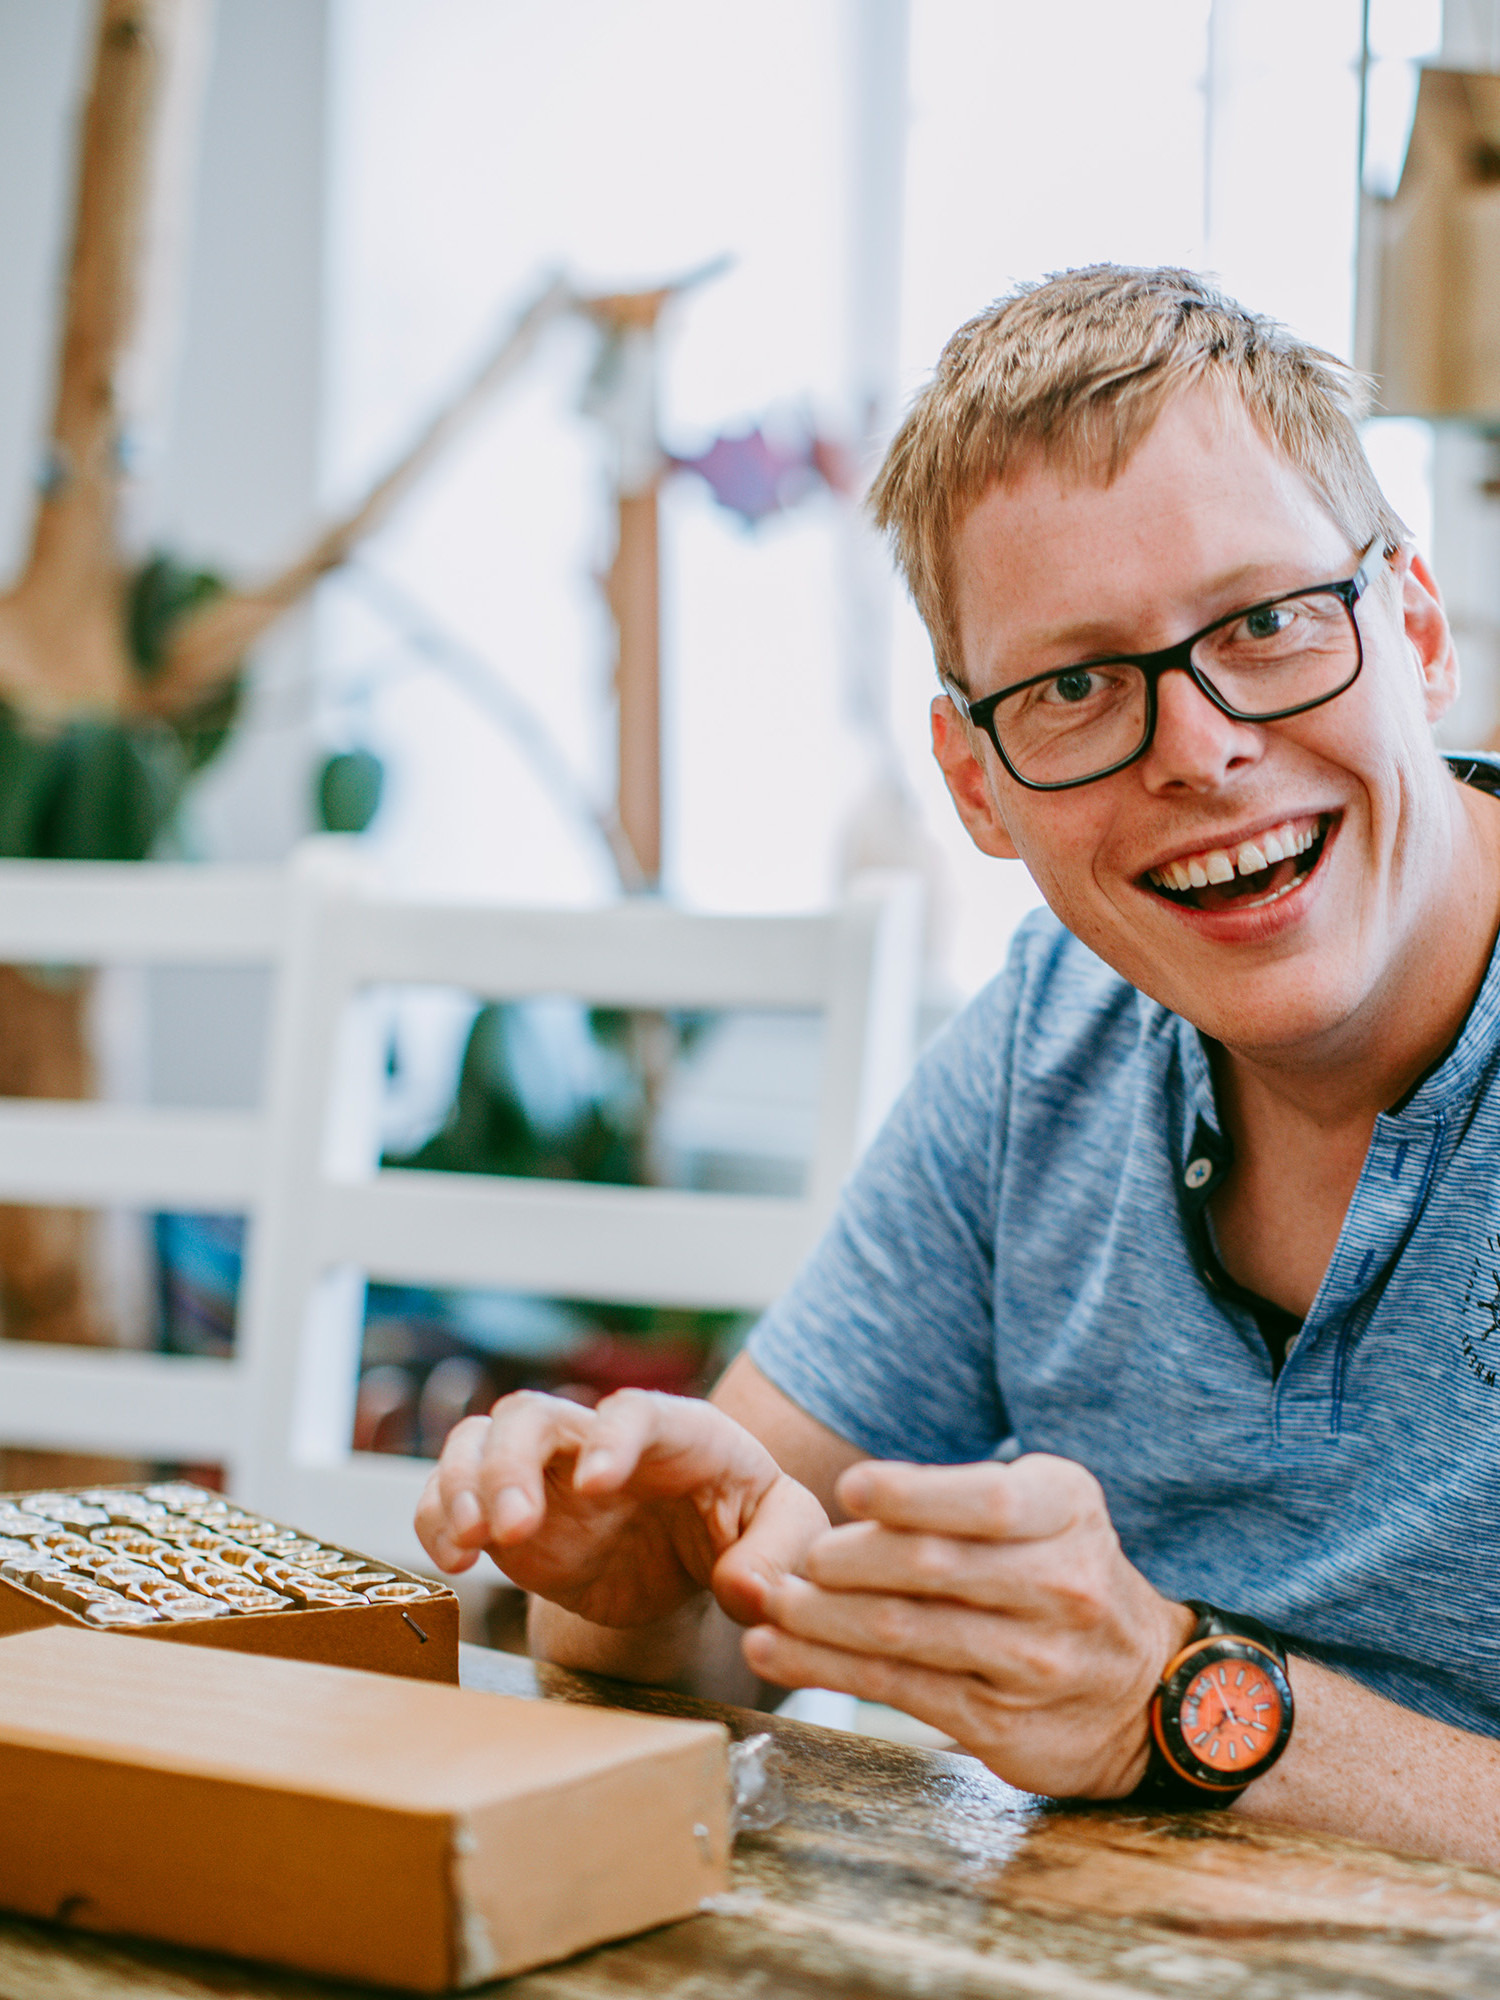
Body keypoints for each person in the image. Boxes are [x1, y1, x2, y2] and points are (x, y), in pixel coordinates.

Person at [416, 267, 1500, 1865]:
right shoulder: (1046, 1040)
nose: (1200, 749)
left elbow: (1146, 1703)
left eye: (1268, 621)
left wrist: (1176, 1701)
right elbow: (726, 1617)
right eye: (1072, 687)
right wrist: (646, 1593)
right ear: (976, 784)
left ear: (1414, 629)